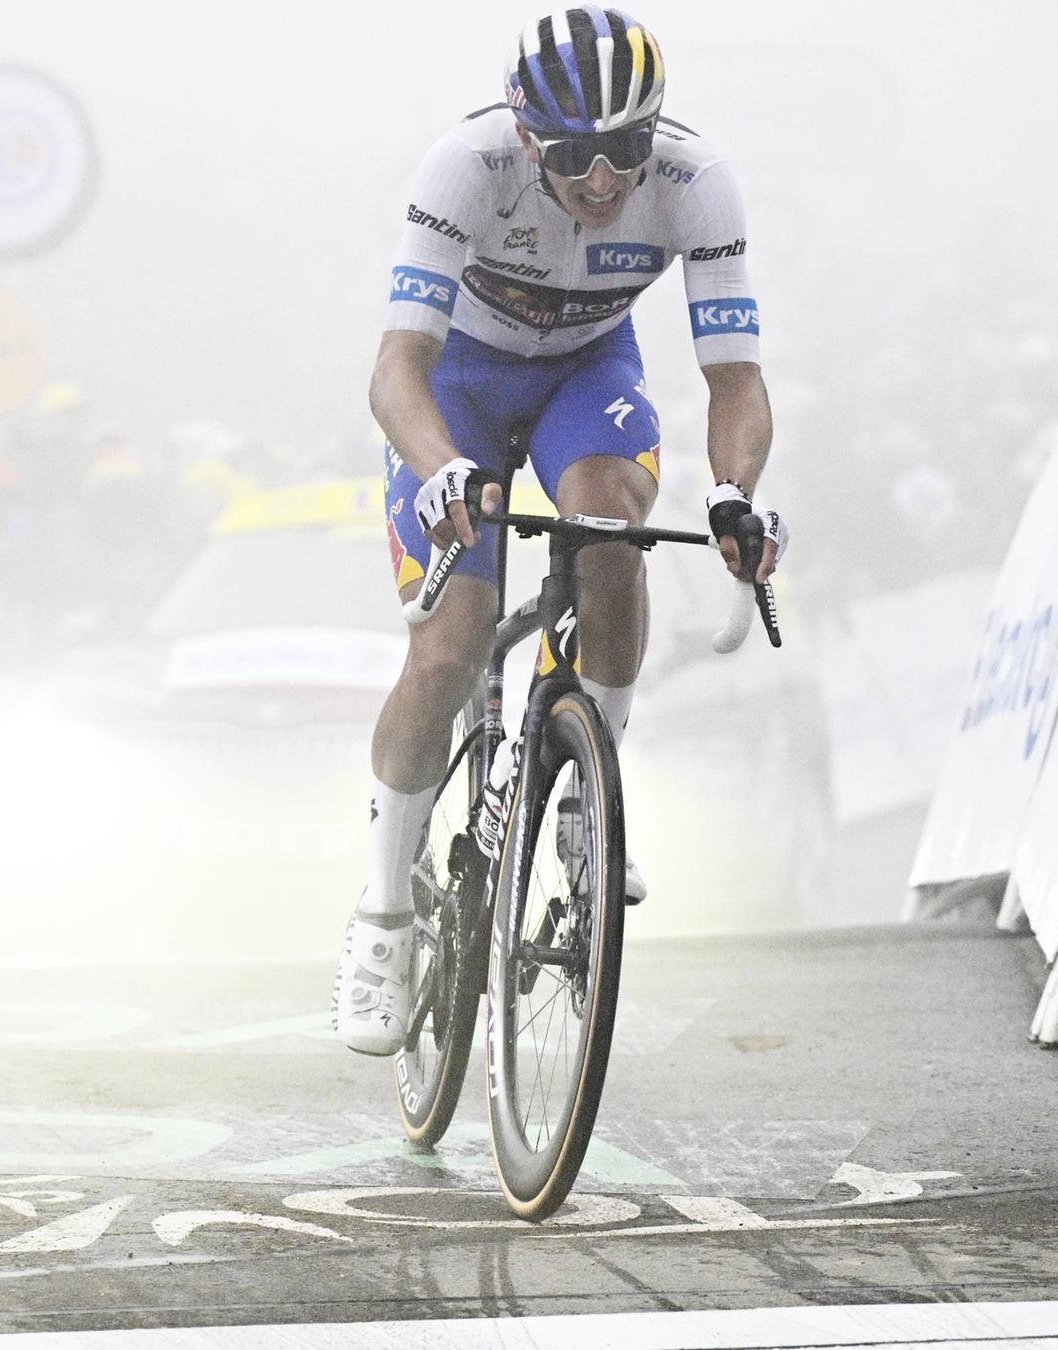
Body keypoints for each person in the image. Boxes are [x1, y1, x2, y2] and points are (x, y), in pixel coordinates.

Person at [335, 8, 791, 1055]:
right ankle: (380, 918)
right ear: (527, 135)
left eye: (626, 148)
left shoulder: (696, 181)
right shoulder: (465, 164)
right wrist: (442, 464)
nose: (602, 179)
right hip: (457, 383)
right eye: (576, 154)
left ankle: (589, 795)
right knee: (451, 639)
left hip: (589, 376)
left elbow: (737, 378)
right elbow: (395, 366)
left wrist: (732, 490)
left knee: (609, 530)